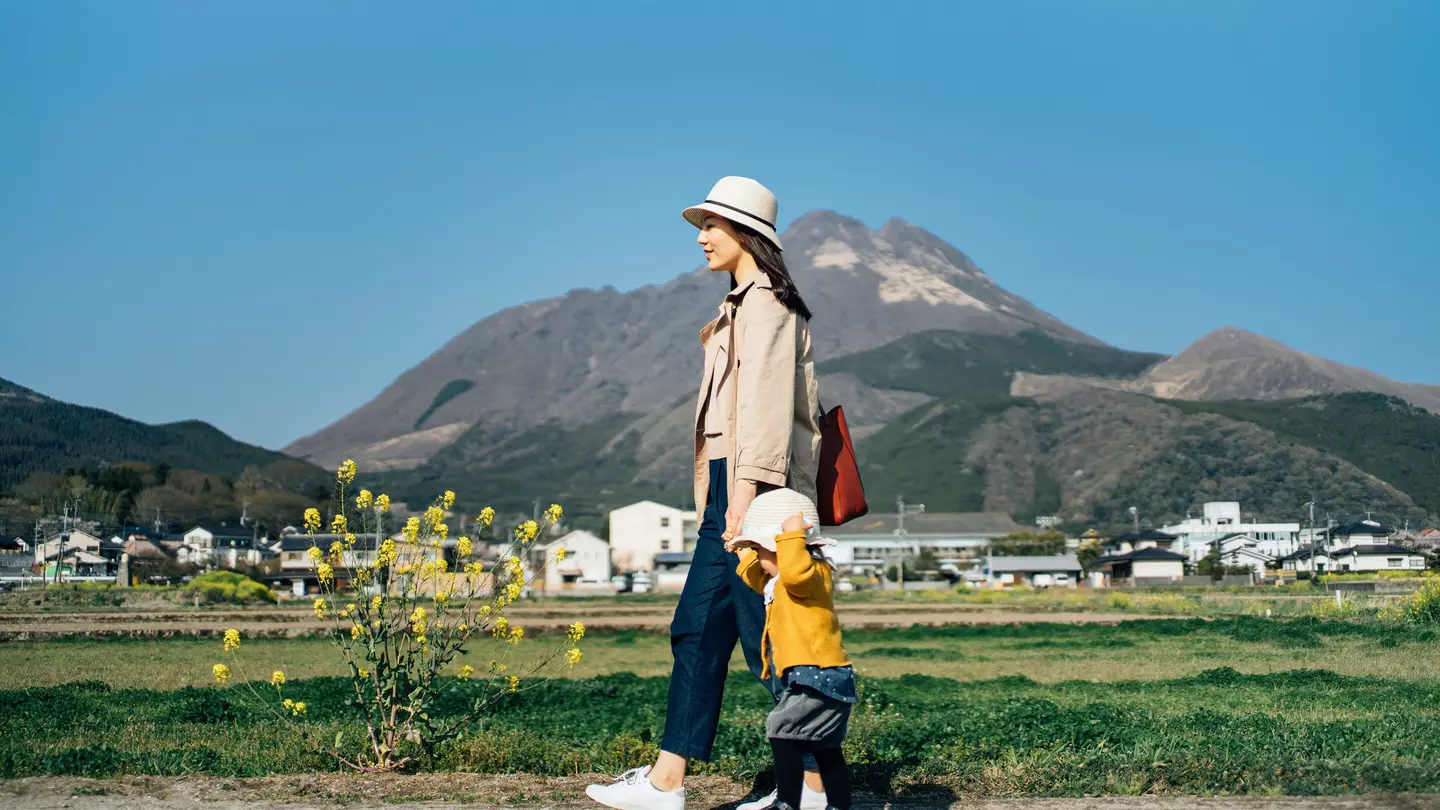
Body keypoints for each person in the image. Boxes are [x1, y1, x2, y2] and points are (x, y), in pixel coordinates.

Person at [586, 176, 824, 810]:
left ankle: (813, 786)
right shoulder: (740, 305)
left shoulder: (768, 302)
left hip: (756, 487)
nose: (700, 237)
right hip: (732, 485)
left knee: (770, 639)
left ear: (746, 233)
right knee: (698, 630)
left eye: (712, 226)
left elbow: (768, 410)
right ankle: (668, 780)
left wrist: (745, 497)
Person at [728, 491, 854, 810]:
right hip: (816, 676)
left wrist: (790, 533)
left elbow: (794, 571)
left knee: (781, 728)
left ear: (787, 547)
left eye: (760, 550)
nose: (757, 557)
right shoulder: (779, 580)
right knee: (824, 746)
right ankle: (839, 805)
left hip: (819, 675)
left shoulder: (808, 573)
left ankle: (787, 802)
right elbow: (757, 576)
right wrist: (742, 547)